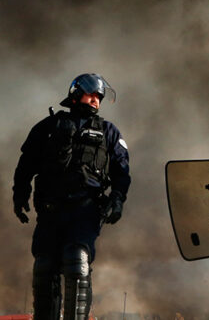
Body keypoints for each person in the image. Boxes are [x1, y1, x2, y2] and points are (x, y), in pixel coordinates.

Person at [13, 73, 131, 320]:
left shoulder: (108, 131)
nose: (96, 100)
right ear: (76, 94)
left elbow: (122, 171)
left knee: (77, 261)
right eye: (92, 95)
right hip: (50, 209)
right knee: (44, 267)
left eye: (99, 97)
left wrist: (117, 198)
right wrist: (20, 193)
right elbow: (26, 164)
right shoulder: (48, 127)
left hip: (85, 210)